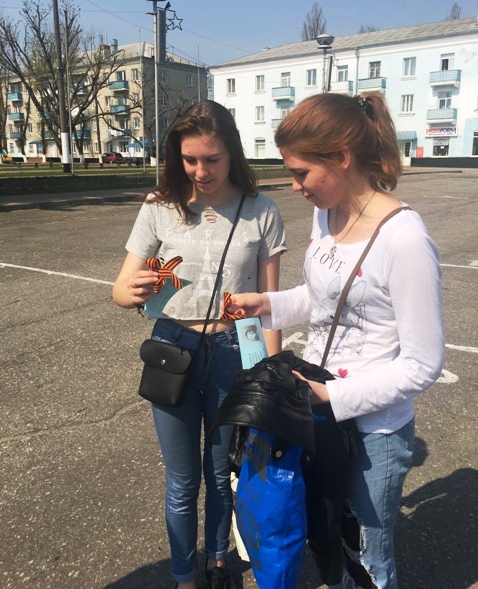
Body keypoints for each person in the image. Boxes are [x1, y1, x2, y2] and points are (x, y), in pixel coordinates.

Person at [225, 93, 444, 589]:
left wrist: (333, 395)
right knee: (326, 537)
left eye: (301, 172)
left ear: (341, 157)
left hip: (372, 430)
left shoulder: (405, 239)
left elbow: (423, 364)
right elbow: (324, 297)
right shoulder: (327, 213)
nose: (294, 185)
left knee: (366, 557)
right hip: (320, 411)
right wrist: (266, 303)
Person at [112, 100, 286, 589]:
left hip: (235, 349)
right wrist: (133, 291)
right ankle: (184, 576)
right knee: (182, 479)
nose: (201, 170)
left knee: (221, 474)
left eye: (212, 159)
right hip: (173, 349)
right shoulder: (159, 206)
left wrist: (271, 375)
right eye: (190, 159)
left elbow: (269, 305)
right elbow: (120, 289)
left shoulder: (261, 210)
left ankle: (217, 561)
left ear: (232, 152)